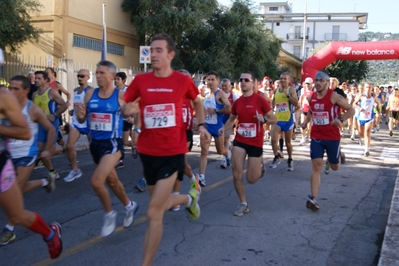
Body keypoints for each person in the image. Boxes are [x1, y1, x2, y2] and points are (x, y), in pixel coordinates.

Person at [122, 33, 210, 266]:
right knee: (158, 205)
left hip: (173, 152)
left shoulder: (182, 82)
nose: (153, 54)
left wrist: (200, 125)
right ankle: (188, 200)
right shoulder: (141, 81)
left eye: (159, 50)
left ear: (170, 54)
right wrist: (127, 110)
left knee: (153, 212)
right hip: (148, 152)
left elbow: (198, 102)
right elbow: (126, 107)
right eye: (151, 50)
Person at [75, 60, 139, 237]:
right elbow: (82, 119)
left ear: (112, 76)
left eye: (102, 73)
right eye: (96, 73)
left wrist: (137, 130)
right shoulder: (90, 94)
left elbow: (136, 111)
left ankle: (109, 214)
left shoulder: (120, 95)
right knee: (112, 181)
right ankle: (129, 206)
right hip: (95, 144)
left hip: (113, 144)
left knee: (96, 181)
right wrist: (80, 117)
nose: (98, 76)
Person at [0, 85, 62, 258]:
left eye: (16, 88)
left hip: (25, 154)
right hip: (13, 155)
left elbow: (25, 132)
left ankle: (50, 234)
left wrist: (48, 148)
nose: (13, 91)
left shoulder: (5, 97)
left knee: (17, 212)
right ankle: (44, 181)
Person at [220, 71, 276, 216]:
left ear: (252, 83)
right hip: (240, 140)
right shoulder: (237, 102)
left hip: (255, 142)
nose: (243, 82)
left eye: (246, 79)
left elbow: (273, 119)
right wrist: (223, 128)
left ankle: (259, 166)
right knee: (236, 172)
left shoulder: (260, 100)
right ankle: (243, 203)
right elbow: (231, 120)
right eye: (241, 79)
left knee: (251, 179)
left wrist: (263, 119)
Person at [300, 70, 355, 211]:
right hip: (317, 136)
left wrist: (340, 119)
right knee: (316, 166)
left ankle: (338, 156)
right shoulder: (311, 96)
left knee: (335, 166)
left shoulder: (334, 96)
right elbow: (312, 110)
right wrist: (306, 121)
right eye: (316, 80)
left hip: (332, 137)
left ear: (326, 83)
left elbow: (351, 110)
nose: (317, 83)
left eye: (321, 81)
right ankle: (313, 198)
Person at [198, 71, 232, 186]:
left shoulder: (220, 94)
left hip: (217, 127)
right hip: (207, 127)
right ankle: (201, 176)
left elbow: (230, 109)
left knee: (220, 151)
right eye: (208, 79)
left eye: (213, 80)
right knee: (204, 151)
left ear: (218, 81)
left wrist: (216, 110)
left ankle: (228, 154)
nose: (210, 82)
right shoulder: (206, 94)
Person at [33, 71, 68, 179]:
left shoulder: (51, 93)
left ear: (45, 80)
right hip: (40, 124)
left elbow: (64, 105)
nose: (36, 80)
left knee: (47, 151)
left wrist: (54, 114)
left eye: (39, 78)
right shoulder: (34, 94)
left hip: (51, 124)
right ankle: (52, 171)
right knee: (40, 151)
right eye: (35, 78)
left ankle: (63, 148)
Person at [64, 69, 93, 182]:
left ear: (88, 77)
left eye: (82, 76)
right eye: (78, 76)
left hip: (89, 123)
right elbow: (77, 106)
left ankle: (104, 167)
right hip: (77, 123)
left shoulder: (91, 91)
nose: (79, 78)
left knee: (95, 149)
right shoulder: (75, 91)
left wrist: (86, 112)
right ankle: (75, 170)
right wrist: (73, 111)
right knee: (69, 145)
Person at [269, 72, 298, 171]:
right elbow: (273, 104)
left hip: (287, 120)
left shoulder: (291, 90)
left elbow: (297, 104)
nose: (283, 80)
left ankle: (290, 159)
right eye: (281, 78)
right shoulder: (276, 90)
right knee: (273, 139)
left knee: (288, 142)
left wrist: (288, 96)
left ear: (289, 80)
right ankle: (276, 156)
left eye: (285, 78)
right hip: (277, 119)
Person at [114, 71, 132, 169]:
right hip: (117, 119)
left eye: (118, 79)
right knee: (118, 140)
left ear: (124, 80)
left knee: (125, 142)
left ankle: (138, 146)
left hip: (126, 119)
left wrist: (131, 116)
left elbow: (134, 104)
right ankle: (120, 160)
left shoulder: (128, 90)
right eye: (115, 79)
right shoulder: (114, 91)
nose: (116, 81)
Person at [353, 82, 376, 157]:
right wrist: (359, 108)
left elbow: (377, 102)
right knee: (362, 134)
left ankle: (367, 150)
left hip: (369, 117)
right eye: (367, 87)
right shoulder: (361, 96)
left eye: (370, 87)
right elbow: (354, 104)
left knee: (367, 132)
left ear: (372, 88)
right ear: (364, 88)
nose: (368, 89)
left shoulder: (373, 95)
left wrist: (376, 105)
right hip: (361, 117)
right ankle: (361, 138)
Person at [220, 78, 238, 169]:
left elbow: (237, 107)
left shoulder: (233, 95)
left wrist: (236, 119)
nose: (224, 87)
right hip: (219, 118)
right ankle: (230, 150)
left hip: (229, 119)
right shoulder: (218, 94)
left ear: (229, 86)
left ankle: (224, 159)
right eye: (222, 85)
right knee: (222, 140)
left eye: (225, 86)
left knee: (226, 138)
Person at [298, 77, 313, 145]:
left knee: (309, 125)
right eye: (306, 83)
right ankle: (303, 137)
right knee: (302, 123)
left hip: (311, 109)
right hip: (304, 109)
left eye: (309, 84)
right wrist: (299, 105)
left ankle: (308, 135)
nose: (307, 85)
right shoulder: (302, 90)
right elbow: (301, 98)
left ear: (311, 84)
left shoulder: (314, 91)